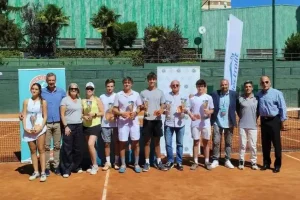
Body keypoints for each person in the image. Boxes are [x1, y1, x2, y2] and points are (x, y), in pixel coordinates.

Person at [19, 72, 66, 176]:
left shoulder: (61, 92)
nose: (51, 82)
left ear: (55, 80)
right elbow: (29, 109)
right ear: (46, 81)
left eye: (53, 80)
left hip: (58, 123)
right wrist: (21, 115)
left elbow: (66, 105)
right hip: (46, 124)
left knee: (57, 146)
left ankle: (56, 166)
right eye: (49, 80)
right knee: (46, 147)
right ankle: (47, 168)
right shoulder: (42, 93)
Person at [257, 76, 287, 173]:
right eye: (263, 82)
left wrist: (282, 122)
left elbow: (282, 107)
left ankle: (277, 165)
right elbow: (257, 109)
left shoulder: (277, 93)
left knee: (276, 144)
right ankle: (266, 163)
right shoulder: (258, 94)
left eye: (266, 82)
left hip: (274, 120)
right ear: (260, 84)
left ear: (270, 83)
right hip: (263, 121)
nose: (265, 84)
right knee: (265, 144)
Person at [113, 77, 142, 173]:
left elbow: (140, 107)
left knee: (136, 142)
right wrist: (121, 114)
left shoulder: (136, 94)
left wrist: (135, 113)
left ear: (131, 84)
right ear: (123, 84)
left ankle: (136, 164)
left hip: (133, 122)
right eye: (125, 82)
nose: (127, 84)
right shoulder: (118, 95)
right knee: (122, 143)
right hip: (122, 123)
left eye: (128, 82)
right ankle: (123, 164)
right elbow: (114, 109)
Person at [140, 72, 166, 172]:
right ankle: (147, 163)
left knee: (157, 142)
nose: (151, 81)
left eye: (153, 79)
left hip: (157, 120)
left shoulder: (160, 92)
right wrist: (142, 106)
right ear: (147, 80)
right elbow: (140, 106)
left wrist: (161, 110)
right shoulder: (142, 93)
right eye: (150, 79)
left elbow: (163, 105)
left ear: (155, 80)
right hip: (147, 120)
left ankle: (159, 161)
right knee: (147, 142)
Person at [21, 83, 47, 182]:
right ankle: (36, 172)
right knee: (33, 150)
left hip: (40, 129)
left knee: (41, 150)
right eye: (32, 89)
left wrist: (40, 128)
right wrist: (25, 128)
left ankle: (43, 172)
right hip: (29, 129)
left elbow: (45, 116)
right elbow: (24, 114)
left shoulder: (43, 102)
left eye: (36, 89)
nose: (34, 90)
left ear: (39, 91)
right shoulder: (26, 101)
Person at [210, 79, 237, 169]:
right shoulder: (215, 94)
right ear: (220, 85)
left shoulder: (234, 94)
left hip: (229, 122)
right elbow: (206, 98)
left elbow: (239, 104)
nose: (224, 86)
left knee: (228, 142)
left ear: (228, 85)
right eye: (222, 85)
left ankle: (227, 160)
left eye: (226, 84)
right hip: (217, 122)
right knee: (216, 141)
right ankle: (215, 159)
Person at [188, 79, 214, 170]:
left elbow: (212, 110)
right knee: (196, 142)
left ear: (204, 87)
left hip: (206, 122)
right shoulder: (192, 98)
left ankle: (207, 161)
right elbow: (188, 109)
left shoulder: (209, 97)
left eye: (202, 86)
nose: (200, 88)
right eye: (198, 86)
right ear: (196, 87)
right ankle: (195, 162)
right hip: (195, 122)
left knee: (206, 143)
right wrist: (191, 115)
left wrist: (208, 111)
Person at [163, 80, 188, 171]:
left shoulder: (184, 97)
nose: (175, 86)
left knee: (180, 144)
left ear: (179, 86)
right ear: (170, 86)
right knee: (168, 144)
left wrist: (183, 111)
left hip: (180, 123)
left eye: (177, 85)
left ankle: (179, 162)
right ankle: (170, 161)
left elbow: (187, 109)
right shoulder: (166, 96)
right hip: (169, 123)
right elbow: (162, 109)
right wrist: (164, 111)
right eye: (173, 85)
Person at [60, 83, 84, 178]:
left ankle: (75, 166)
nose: (73, 90)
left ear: (78, 90)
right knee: (67, 148)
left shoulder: (79, 100)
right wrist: (66, 126)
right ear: (69, 90)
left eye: (75, 88)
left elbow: (80, 113)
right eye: (72, 88)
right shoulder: (65, 100)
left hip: (79, 125)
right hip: (69, 126)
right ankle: (66, 169)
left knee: (78, 148)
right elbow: (62, 114)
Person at [236, 80, 259, 170]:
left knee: (253, 145)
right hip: (242, 125)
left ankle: (253, 162)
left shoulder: (256, 99)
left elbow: (258, 112)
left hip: (253, 126)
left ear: (252, 88)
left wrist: (254, 119)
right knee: (242, 145)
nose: (248, 88)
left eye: (249, 86)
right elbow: (238, 110)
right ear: (244, 88)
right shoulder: (240, 99)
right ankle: (241, 161)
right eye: (246, 87)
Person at [82, 82, 104, 175]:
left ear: (93, 90)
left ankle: (95, 165)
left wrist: (94, 114)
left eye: (91, 88)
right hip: (85, 125)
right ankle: (92, 164)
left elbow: (102, 112)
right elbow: (81, 113)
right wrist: (84, 116)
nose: (89, 90)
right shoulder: (82, 101)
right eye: (88, 88)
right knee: (90, 146)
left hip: (95, 125)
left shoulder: (97, 99)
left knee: (90, 144)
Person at [100, 79, 120, 171]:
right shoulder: (102, 97)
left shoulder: (117, 96)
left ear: (114, 87)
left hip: (116, 124)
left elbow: (120, 109)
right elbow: (100, 110)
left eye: (111, 86)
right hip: (105, 124)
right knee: (107, 143)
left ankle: (116, 162)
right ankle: (108, 162)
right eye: (108, 86)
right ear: (105, 87)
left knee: (116, 143)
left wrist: (115, 116)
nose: (110, 88)